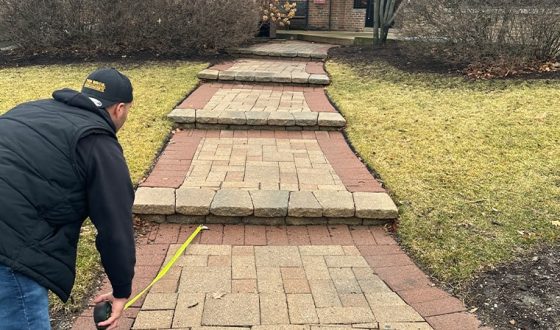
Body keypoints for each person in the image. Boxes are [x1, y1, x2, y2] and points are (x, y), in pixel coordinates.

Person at [0, 68, 137, 330]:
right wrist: (121, 290)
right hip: (10, 247)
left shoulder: (30, 109)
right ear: (120, 108)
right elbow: (115, 227)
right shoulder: (97, 142)